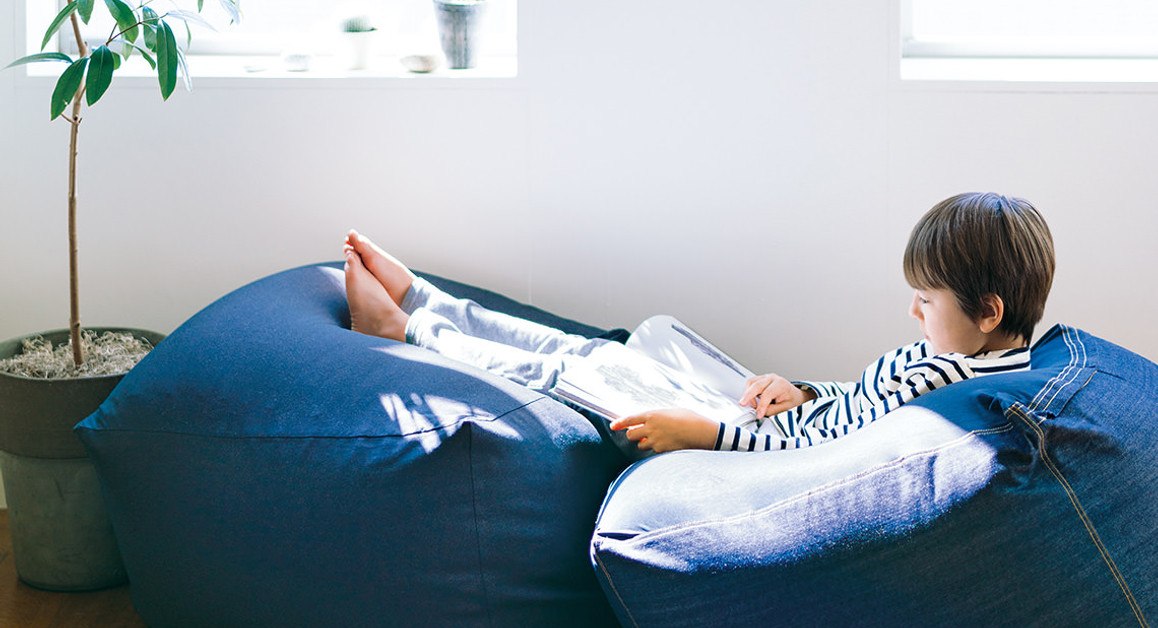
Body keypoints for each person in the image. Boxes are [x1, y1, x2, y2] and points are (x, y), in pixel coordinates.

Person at [342, 191, 1055, 456]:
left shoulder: (951, 390)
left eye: (926, 301)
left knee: (569, 372)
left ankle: (410, 331)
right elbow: (861, 402)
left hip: (741, 440)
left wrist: (701, 433)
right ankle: (431, 302)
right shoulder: (971, 358)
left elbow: (823, 464)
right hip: (763, 411)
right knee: (594, 348)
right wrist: (806, 390)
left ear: (987, 312)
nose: (913, 312)